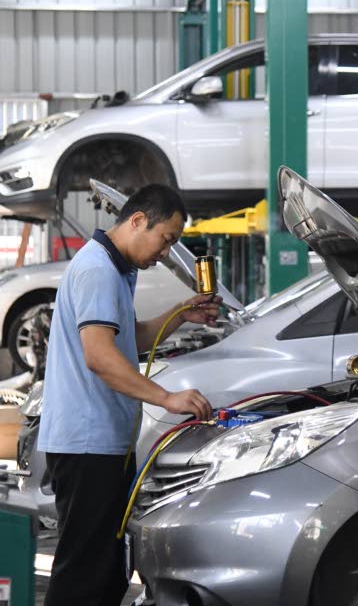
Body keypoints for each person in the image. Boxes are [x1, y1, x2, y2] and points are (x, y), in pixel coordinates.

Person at [37, 184, 218, 606]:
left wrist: (180, 314)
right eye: (166, 239)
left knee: (105, 572)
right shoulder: (97, 269)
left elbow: (127, 339)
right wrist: (166, 398)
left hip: (105, 444)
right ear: (138, 221)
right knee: (82, 573)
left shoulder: (117, 269)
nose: (166, 252)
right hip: (86, 445)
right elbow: (100, 357)